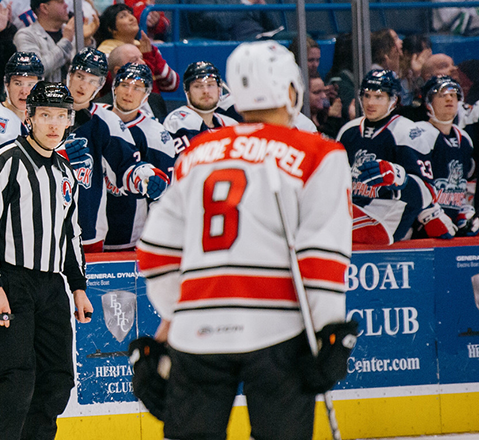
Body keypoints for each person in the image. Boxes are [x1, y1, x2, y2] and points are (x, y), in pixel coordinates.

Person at [135, 40, 354, 440]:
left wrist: (178, 317)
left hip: (196, 334)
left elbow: (154, 252)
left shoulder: (197, 152)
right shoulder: (319, 153)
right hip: (279, 331)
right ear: (292, 91)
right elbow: (320, 254)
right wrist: (329, 331)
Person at [0, 81, 93, 440]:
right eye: (45, 115)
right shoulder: (4, 162)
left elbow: (71, 233)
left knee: (58, 382)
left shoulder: (65, 172)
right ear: (29, 117)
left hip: (51, 287)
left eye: (60, 116)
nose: (53, 124)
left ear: (69, 120)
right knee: (15, 381)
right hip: (9, 282)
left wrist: (78, 287)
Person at [62, 49, 167, 253]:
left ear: (101, 85)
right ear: (70, 75)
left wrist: (145, 176)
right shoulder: (44, 108)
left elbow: (126, 166)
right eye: (80, 76)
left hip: (87, 230)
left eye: (92, 80)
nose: (83, 85)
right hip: (41, 227)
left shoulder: (106, 120)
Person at [336, 69, 454, 243]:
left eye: (378, 97)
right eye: (367, 96)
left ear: (393, 100)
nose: (370, 103)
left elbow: (428, 194)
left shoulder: (408, 132)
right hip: (354, 211)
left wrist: (399, 178)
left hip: (388, 219)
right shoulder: (349, 131)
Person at [103, 62, 175, 251]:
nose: (129, 93)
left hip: (132, 238)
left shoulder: (156, 135)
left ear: (146, 96)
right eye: (125, 85)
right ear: (114, 88)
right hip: (88, 232)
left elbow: (163, 194)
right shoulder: (94, 119)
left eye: (137, 88)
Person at [417, 75, 476, 224]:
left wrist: (465, 212)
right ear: (428, 102)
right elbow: (415, 187)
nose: (449, 99)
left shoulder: (464, 139)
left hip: (452, 223)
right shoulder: (419, 134)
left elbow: (464, 185)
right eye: (441, 95)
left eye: (453, 95)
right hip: (424, 224)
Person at [94, 4, 178, 93]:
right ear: (111, 29)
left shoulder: (146, 47)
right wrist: (147, 58)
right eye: (123, 16)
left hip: (152, 104)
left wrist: (150, 55)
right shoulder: (105, 53)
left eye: (131, 14)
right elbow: (134, 87)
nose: (131, 18)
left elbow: (172, 84)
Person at [0, 52, 43, 155]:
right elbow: (3, 166)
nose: (24, 91)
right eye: (18, 83)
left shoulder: (33, 118)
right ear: (7, 85)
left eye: (30, 84)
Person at [163, 61, 239, 148]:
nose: (206, 91)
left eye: (210, 85)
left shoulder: (231, 124)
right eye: (198, 86)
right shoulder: (178, 121)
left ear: (219, 90)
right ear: (187, 92)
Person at [93, 44, 169, 120]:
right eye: (134, 60)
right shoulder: (101, 108)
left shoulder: (155, 99)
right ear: (118, 71)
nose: (143, 63)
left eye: (141, 58)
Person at [13, 0, 75, 83]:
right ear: (45, 8)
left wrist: (87, 41)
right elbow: (34, 71)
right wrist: (65, 42)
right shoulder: (26, 35)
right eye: (60, 2)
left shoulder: (69, 30)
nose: (66, 6)